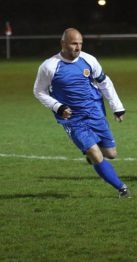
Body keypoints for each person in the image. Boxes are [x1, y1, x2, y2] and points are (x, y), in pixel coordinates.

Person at [33, 28, 131, 198]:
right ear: (63, 44)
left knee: (111, 154)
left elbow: (104, 83)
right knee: (95, 153)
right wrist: (58, 106)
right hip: (72, 119)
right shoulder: (49, 66)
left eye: (80, 43)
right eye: (74, 43)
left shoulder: (89, 60)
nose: (78, 47)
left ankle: (90, 153)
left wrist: (117, 106)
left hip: (94, 112)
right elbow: (39, 91)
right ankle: (121, 188)